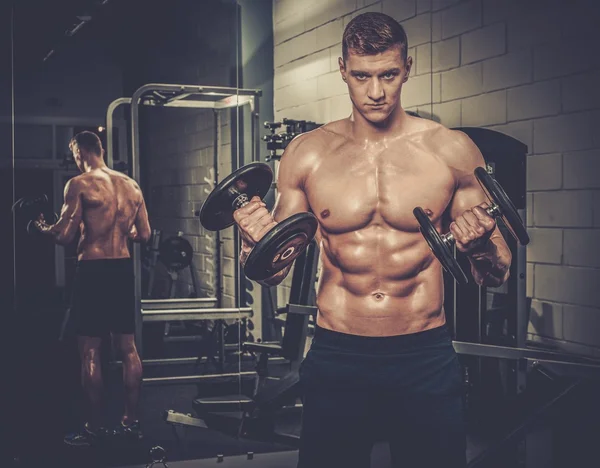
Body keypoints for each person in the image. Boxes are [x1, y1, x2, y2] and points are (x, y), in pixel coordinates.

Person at [233, 12, 512, 468]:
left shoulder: (450, 149)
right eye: (362, 76)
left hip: (423, 352)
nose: (376, 91)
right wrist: (253, 242)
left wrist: (479, 244)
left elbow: (495, 272)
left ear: (408, 67)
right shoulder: (309, 153)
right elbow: (272, 271)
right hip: (338, 352)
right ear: (342, 69)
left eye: (389, 75)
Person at [34, 130, 151, 446]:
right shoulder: (132, 185)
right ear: (101, 149)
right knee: (127, 348)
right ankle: (131, 421)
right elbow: (145, 234)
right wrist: (119, 233)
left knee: (90, 349)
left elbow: (64, 235)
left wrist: (42, 227)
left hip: (93, 270)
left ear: (78, 150)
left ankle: (94, 426)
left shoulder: (79, 184)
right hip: (122, 269)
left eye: (73, 152)